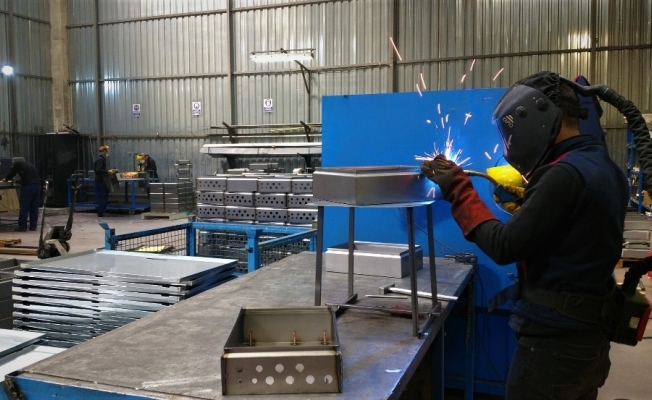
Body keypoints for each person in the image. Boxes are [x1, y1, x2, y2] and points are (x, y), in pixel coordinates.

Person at [421, 71, 628, 400]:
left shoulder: (563, 175)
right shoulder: (604, 167)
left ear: (535, 115)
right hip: (587, 336)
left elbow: (505, 246)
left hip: (554, 344)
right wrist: (531, 203)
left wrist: (458, 189)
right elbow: (574, 229)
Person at [1, 158, 41, 232]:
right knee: (34, 207)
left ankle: (22, 226)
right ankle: (33, 226)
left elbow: (12, 173)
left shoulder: (17, 164)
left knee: (24, 206)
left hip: (28, 187)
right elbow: (29, 177)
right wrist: (18, 181)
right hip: (37, 186)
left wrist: (5, 179)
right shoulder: (29, 165)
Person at [94, 145, 111, 217]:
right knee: (102, 197)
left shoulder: (100, 159)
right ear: (104, 152)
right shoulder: (101, 160)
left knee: (101, 196)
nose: (107, 153)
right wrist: (107, 172)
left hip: (99, 181)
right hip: (101, 181)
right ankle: (101, 212)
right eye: (106, 151)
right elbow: (98, 170)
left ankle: (101, 211)